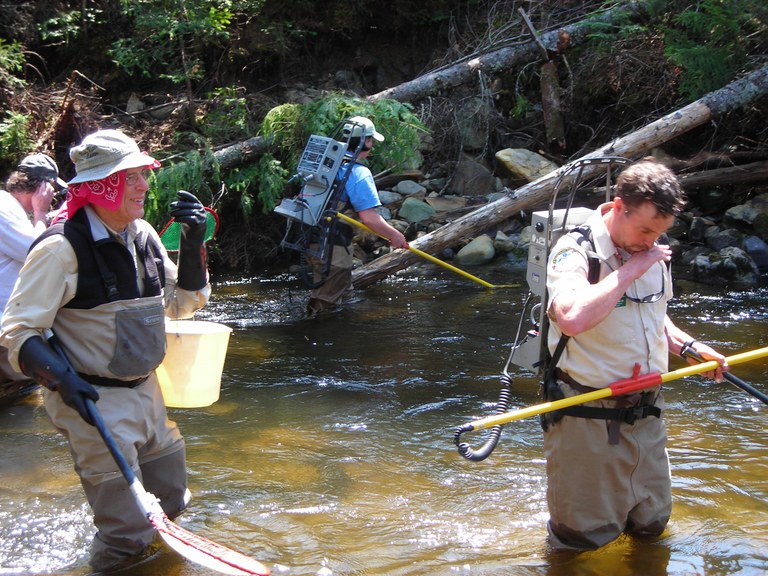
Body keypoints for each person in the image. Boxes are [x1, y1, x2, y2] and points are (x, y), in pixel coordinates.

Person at [0, 129, 211, 571]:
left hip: (147, 392)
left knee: (171, 499)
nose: (144, 185)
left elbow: (181, 304)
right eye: (130, 177)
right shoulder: (61, 248)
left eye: (143, 174)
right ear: (100, 186)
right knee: (127, 533)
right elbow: (18, 330)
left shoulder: (144, 235)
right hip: (92, 400)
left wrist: (194, 244)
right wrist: (63, 383)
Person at [542, 157, 727, 550]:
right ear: (618, 206)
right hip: (588, 414)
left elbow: (654, 317)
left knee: (651, 528)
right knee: (581, 541)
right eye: (644, 229)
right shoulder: (575, 250)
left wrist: (688, 347)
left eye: (659, 233)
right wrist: (630, 270)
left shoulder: (650, 251)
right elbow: (572, 318)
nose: (651, 241)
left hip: (647, 413)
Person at [306, 116, 408, 316]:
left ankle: (341, 326)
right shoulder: (358, 173)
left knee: (341, 293)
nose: (372, 145)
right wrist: (395, 236)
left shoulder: (326, 164)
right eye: (371, 140)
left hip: (310, 238)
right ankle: (312, 330)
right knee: (325, 305)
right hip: (333, 244)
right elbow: (369, 219)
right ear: (366, 142)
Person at [0, 153, 63, 398]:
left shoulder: (10, 208)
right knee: (24, 395)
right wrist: (40, 213)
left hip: (7, 325)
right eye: (52, 190)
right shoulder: (4, 208)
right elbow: (37, 252)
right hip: (4, 330)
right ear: (42, 187)